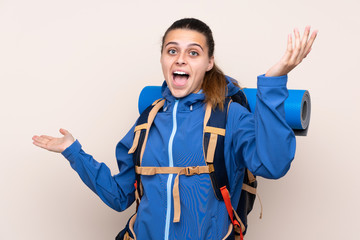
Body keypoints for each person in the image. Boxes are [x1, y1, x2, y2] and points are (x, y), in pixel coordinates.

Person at [32, 18, 317, 240]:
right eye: (172, 51)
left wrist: (274, 80)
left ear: (209, 63)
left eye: (193, 52)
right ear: (163, 60)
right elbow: (120, 197)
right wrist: (73, 152)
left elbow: (274, 164)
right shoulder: (147, 121)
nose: (181, 59)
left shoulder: (230, 115)